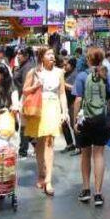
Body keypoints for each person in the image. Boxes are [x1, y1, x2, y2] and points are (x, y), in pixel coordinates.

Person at [74, 47, 110, 207]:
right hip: (102, 119)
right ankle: (98, 194)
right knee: (99, 155)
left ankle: (86, 190)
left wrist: (75, 120)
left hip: (85, 119)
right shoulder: (108, 76)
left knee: (85, 154)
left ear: (88, 60)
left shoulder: (81, 76)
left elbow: (78, 100)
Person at [23, 48, 67, 196]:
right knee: (40, 142)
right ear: (42, 57)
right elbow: (25, 90)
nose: (52, 56)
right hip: (38, 107)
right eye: (49, 54)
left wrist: (64, 111)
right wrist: (36, 85)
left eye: (53, 54)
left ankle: (48, 180)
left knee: (49, 141)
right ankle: (41, 172)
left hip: (53, 107)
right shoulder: (34, 72)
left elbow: (62, 93)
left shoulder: (59, 72)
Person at [14, 48, 36, 158]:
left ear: (27, 55)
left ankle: (23, 150)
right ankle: (36, 146)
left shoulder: (28, 67)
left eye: (20, 54)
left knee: (24, 126)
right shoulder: (23, 65)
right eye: (17, 54)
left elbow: (26, 87)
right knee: (24, 126)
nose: (18, 56)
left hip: (26, 99)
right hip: (21, 98)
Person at [60, 58, 80, 156]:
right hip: (65, 102)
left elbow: (74, 88)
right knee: (63, 123)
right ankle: (70, 144)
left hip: (73, 102)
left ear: (71, 65)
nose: (65, 66)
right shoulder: (65, 74)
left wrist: (63, 84)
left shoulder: (76, 75)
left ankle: (79, 146)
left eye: (66, 65)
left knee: (74, 124)